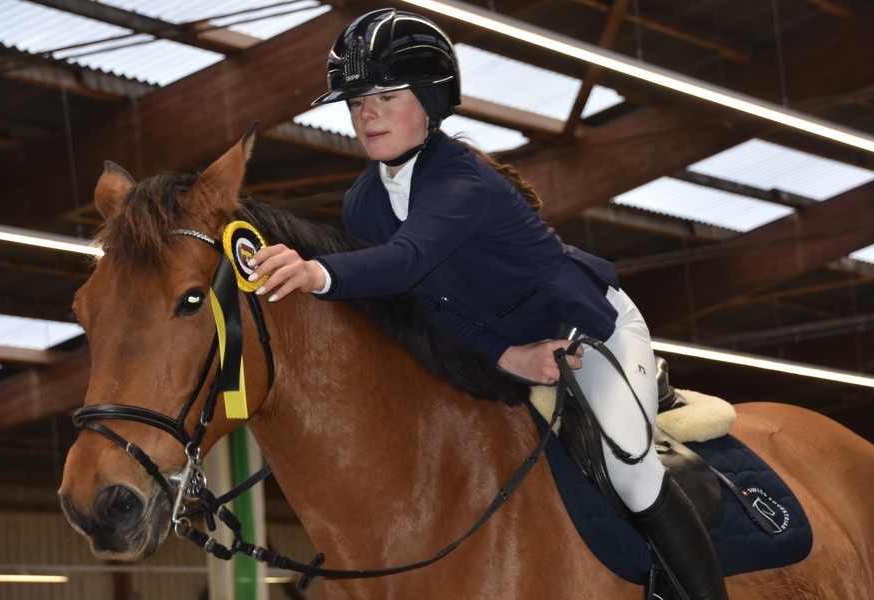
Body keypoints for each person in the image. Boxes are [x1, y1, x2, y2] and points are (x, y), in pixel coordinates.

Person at [247, 8, 728, 599]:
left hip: (589, 331)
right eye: (355, 102)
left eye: (385, 96)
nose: (366, 113)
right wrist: (508, 356)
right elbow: (426, 307)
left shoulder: (461, 181)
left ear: (429, 100)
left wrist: (316, 270)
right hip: (514, 344)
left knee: (631, 474)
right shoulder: (362, 205)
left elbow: (406, 260)